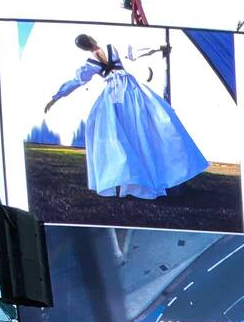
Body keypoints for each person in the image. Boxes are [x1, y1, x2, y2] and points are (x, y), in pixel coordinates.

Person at [44, 34, 207, 201]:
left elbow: (77, 81)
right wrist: (157, 48)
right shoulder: (105, 52)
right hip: (123, 92)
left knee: (130, 130)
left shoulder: (97, 58)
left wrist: (56, 97)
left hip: (119, 93)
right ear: (91, 40)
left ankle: (136, 177)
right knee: (134, 129)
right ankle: (135, 177)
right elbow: (133, 53)